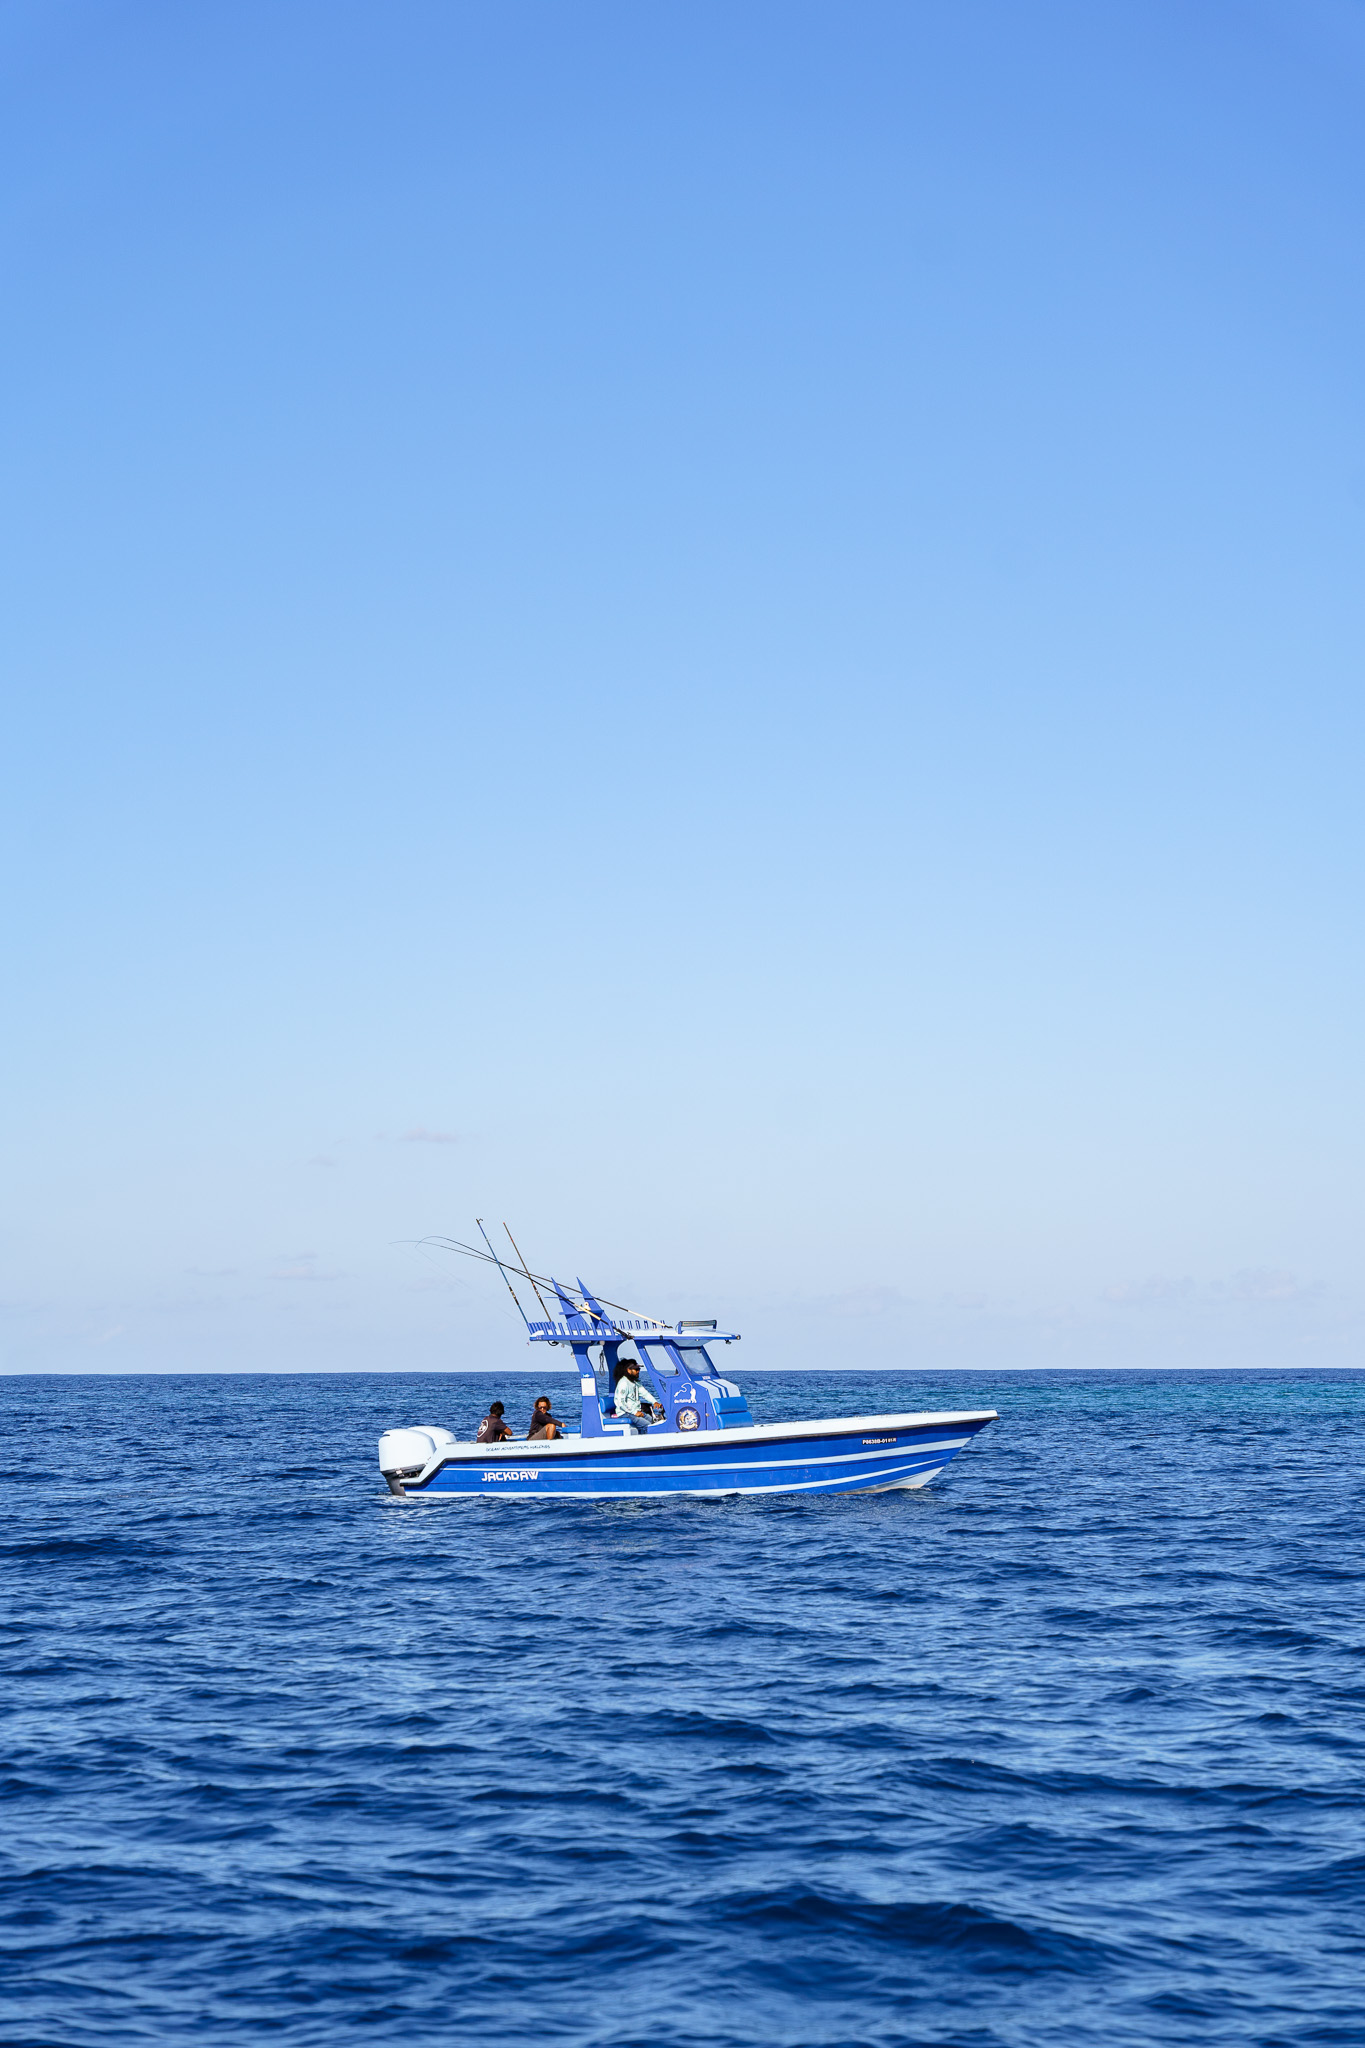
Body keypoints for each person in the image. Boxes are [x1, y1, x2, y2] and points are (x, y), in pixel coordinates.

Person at [613, 1358, 664, 1432]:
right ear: (629, 1370)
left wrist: (655, 1402)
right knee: (647, 1425)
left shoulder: (635, 1383)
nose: (638, 1371)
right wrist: (634, 1412)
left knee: (653, 1421)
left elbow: (645, 1393)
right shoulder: (623, 1383)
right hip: (625, 1413)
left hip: (635, 1411)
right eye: (636, 1369)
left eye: (638, 1369)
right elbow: (620, 1403)